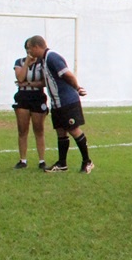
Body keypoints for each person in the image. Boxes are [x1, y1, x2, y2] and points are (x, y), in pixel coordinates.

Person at [29, 35, 93, 174]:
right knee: (60, 131)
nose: (29, 53)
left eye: (30, 49)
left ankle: (87, 161)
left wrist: (77, 88)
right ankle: (62, 163)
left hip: (67, 101)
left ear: (36, 46)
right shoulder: (44, 60)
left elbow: (67, 75)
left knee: (74, 130)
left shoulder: (52, 57)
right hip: (56, 103)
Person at [12, 37, 48, 170]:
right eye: (27, 48)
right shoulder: (19, 62)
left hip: (37, 96)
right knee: (22, 129)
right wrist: (27, 63)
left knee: (39, 129)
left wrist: (28, 83)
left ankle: (42, 160)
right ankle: (23, 160)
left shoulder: (42, 62)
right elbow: (20, 77)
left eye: (30, 47)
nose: (29, 50)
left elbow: (44, 82)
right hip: (23, 97)